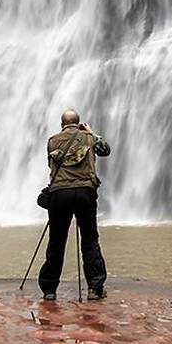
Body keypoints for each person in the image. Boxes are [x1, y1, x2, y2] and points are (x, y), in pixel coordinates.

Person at [38, 109, 111, 301]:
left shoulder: (52, 141)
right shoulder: (89, 138)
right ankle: (95, 289)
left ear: (62, 124)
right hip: (85, 193)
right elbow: (106, 150)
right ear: (78, 122)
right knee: (89, 239)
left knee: (56, 241)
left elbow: (51, 166)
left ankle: (49, 290)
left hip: (60, 194)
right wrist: (91, 132)